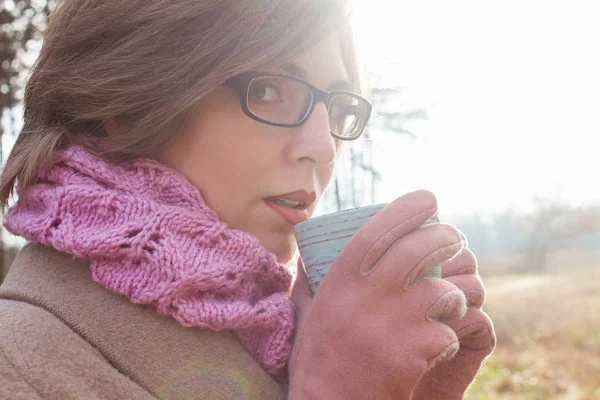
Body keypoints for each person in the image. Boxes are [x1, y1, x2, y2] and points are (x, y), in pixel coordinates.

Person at [0, 0, 495, 399]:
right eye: (270, 90)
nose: (323, 147)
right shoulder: (20, 361)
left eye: (337, 106)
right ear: (124, 105)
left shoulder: (272, 326)